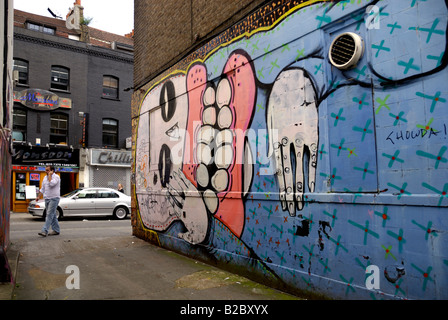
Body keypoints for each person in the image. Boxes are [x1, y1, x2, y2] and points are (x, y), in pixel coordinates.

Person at [37, 165, 61, 237]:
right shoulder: (44, 177)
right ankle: (56, 230)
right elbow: (43, 188)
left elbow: (51, 184)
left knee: (49, 214)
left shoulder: (56, 177)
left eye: (47, 170)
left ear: (52, 170)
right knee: (52, 215)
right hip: (47, 198)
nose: (46, 171)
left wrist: (50, 175)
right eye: (46, 170)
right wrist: (38, 196)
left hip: (54, 198)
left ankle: (44, 231)